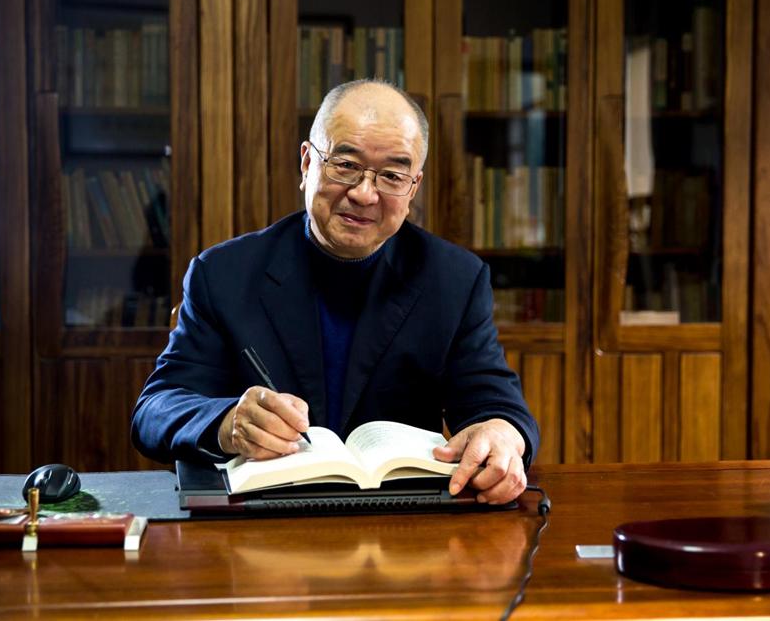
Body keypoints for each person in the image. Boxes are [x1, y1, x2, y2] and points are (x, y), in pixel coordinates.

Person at [131, 79, 539, 505]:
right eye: (345, 165)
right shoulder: (224, 274)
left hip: (402, 520)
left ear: (413, 188)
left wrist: (501, 433)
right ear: (307, 163)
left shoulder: (454, 280)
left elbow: (497, 405)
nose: (364, 194)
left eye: (392, 176)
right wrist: (227, 422)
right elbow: (156, 409)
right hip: (259, 521)